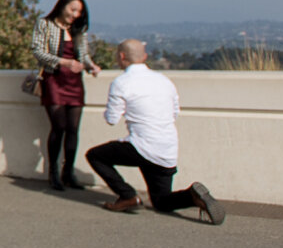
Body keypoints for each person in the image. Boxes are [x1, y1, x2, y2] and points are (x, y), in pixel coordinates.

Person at [85, 40, 226, 223]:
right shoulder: (164, 80)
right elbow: (175, 112)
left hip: (141, 146)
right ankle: (192, 196)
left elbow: (111, 120)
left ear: (121, 57)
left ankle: (127, 196)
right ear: (144, 57)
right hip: (167, 148)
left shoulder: (121, 82)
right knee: (161, 202)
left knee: (95, 156)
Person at [31, 0, 100, 191]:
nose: (75, 15)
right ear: (62, 6)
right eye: (73, 10)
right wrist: (64, 62)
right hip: (54, 78)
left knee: (72, 128)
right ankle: (53, 172)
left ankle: (68, 171)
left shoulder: (78, 30)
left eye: (79, 12)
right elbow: (37, 50)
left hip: (74, 81)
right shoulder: (44, 24)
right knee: (58, 126)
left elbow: (83, 54)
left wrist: (91, 66)